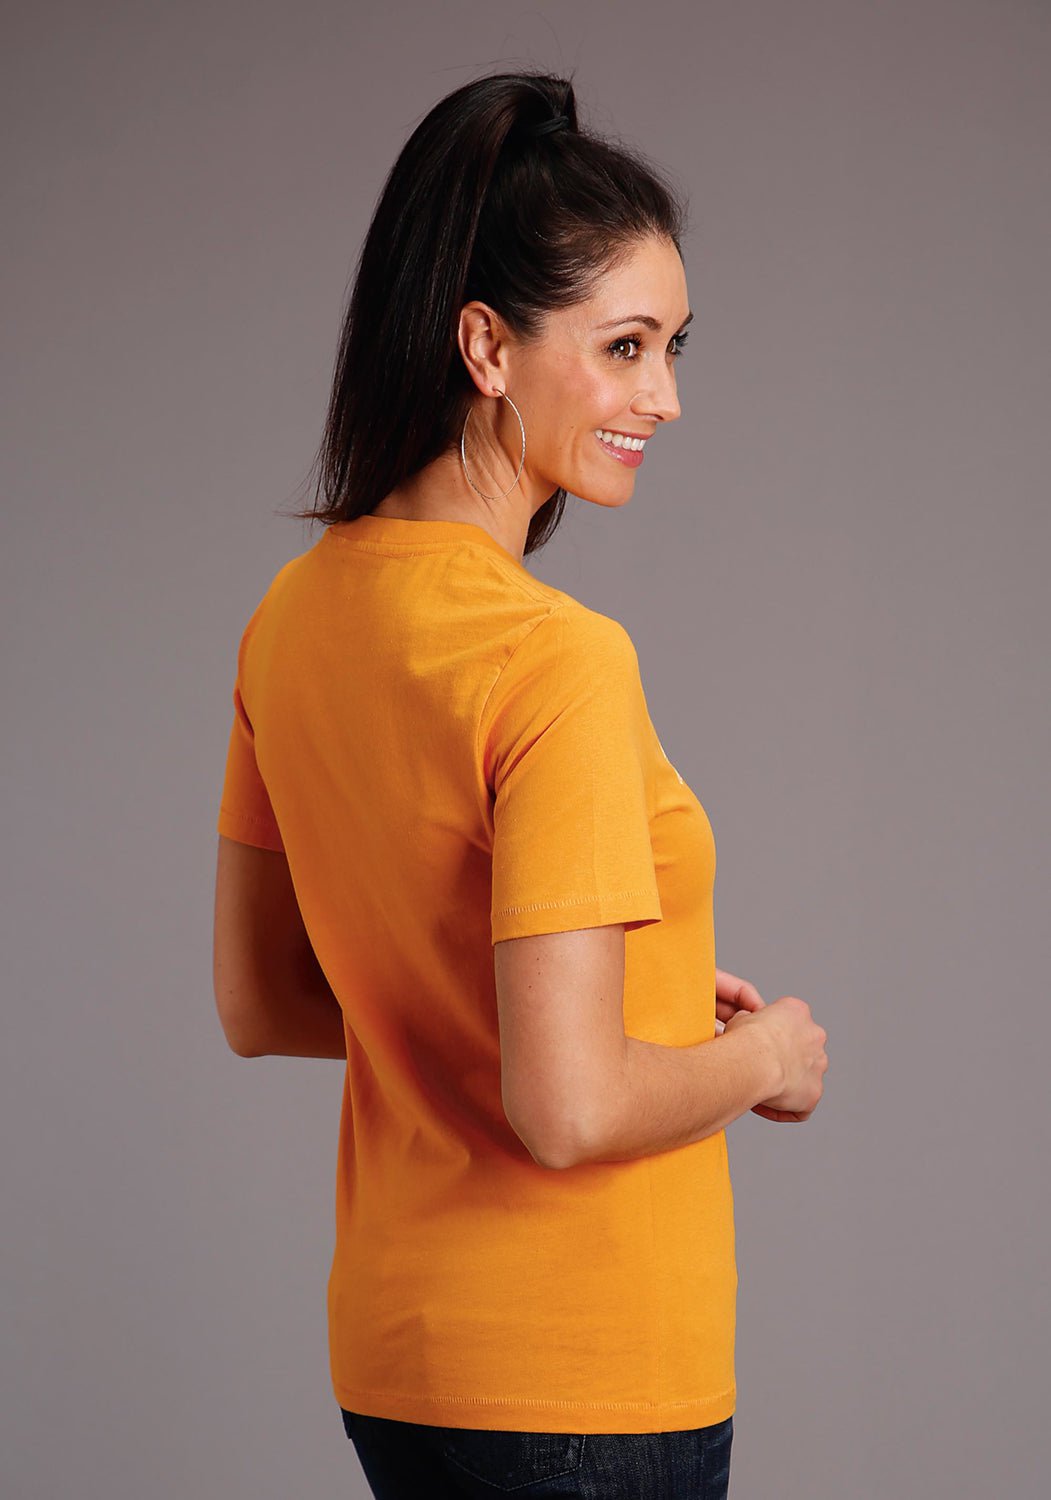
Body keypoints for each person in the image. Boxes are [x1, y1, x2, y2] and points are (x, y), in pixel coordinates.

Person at [212, 68, 829, 1500]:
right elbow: (569, 1108)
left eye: (673, 348)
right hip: (585, 1375)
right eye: (625, 348)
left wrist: (616, 1005)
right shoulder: (556, 659)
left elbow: (266, 1003)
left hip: (405, 1363)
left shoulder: (292, 619)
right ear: (487, 345)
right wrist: (765, 1061)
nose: (664, 398)